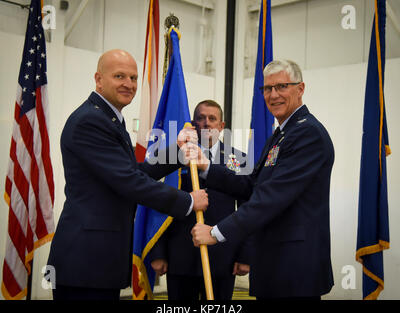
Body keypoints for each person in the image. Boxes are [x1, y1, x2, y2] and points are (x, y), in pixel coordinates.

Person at [47, 49, 208, 300]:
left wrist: (177, 152)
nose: (129, 84)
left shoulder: (108, 117)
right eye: (119, 76)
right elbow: (130, 181)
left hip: (96, 260)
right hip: (85, 261)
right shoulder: (91, 121)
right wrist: (187, 201)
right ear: (98, 79)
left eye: (133, 78)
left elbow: (132, 171)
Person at [189, 60, 335, 300]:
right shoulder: (280, 134)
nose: (273, 95)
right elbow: (251, 186)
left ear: (300, 89)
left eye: (282, 86)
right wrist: (206, 167)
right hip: (274, 263)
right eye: (267, 89)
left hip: (294, 268)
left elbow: (270, 199)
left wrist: (216, 233)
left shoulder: (307, 133)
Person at [149, 100, 252, 300]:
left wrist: (245, 255)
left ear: (221, 126)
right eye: (200, 118)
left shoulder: (239, 160)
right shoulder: (174, 158)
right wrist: (158, 252)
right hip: (179, 256)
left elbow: (248, 208)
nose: (206, 123)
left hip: (223, 257)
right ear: (193, 125)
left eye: (212, 118)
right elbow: (158, 202)